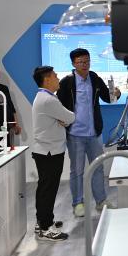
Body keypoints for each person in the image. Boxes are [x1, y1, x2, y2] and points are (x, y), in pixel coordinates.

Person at [57, 48, 120, 217]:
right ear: (73, 64)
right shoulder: (67, 82)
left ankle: (101, 201)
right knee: (77, 170)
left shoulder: (94, 78)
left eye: (87, 61)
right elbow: (58, 105)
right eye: (80, 62)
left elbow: (108, 98)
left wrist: (116, 93)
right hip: (75, 134)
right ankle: (78, 203)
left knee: (98, 168)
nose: (84, 65)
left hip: (94, 133)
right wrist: (61, 120)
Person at [31, 66, 74, 242]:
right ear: (47, 79)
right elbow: (70, 117)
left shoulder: (46, 97)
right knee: (48, 190)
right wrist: (65, 119)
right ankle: (45, 228)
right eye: (55, 76)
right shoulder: (48, 100)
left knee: (45, 189)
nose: (58, 79)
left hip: (46, 150)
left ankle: (42, 221)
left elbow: (65, 118)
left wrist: (63, 119)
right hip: (49, 152)